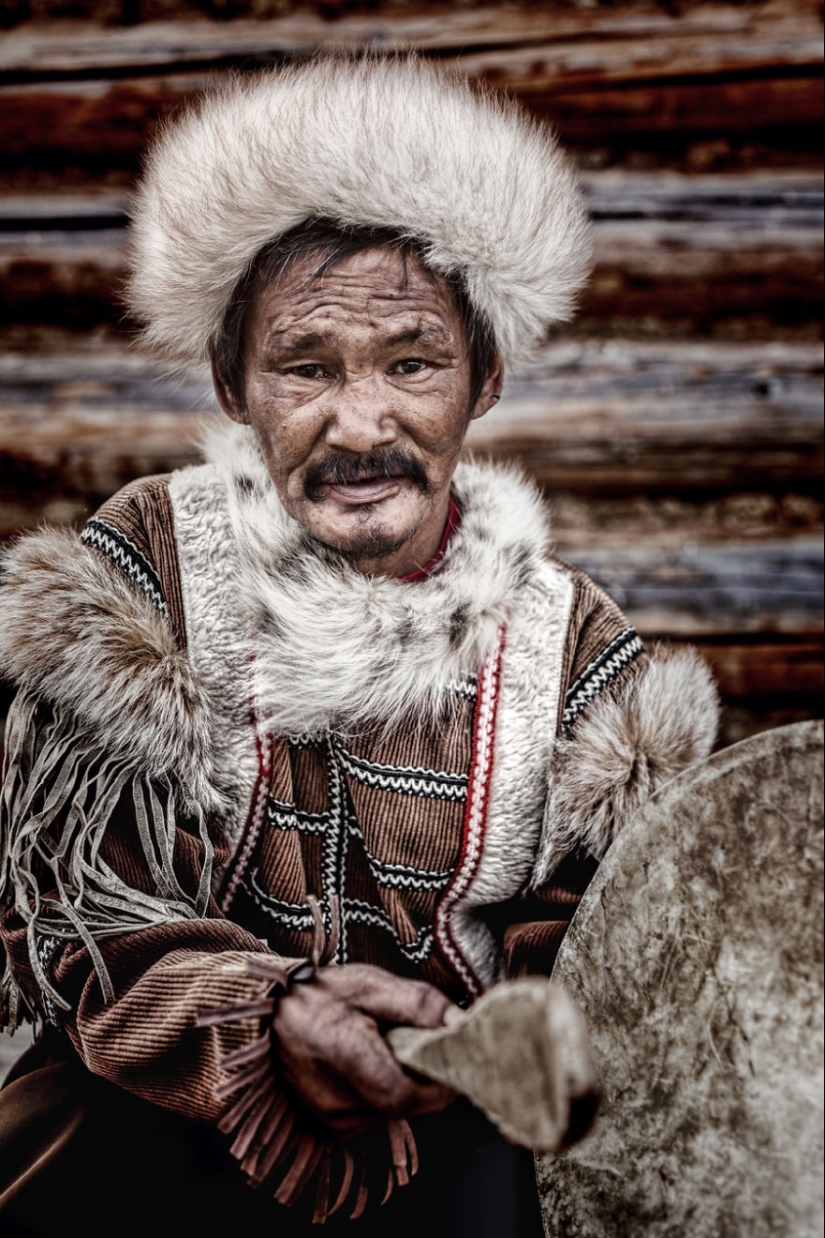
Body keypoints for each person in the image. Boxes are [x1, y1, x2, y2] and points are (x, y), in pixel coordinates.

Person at [0, 55, 718, 1237]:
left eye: (412, 361)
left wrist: (482, 1042)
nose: (360, 423)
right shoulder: (153, 569)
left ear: (483, 379)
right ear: (236, 383)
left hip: (454, 1155)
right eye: (305, 366)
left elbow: (612, 965)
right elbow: (83, 911)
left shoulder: (571, 645)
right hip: (163, 1118)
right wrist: (267, 1011)